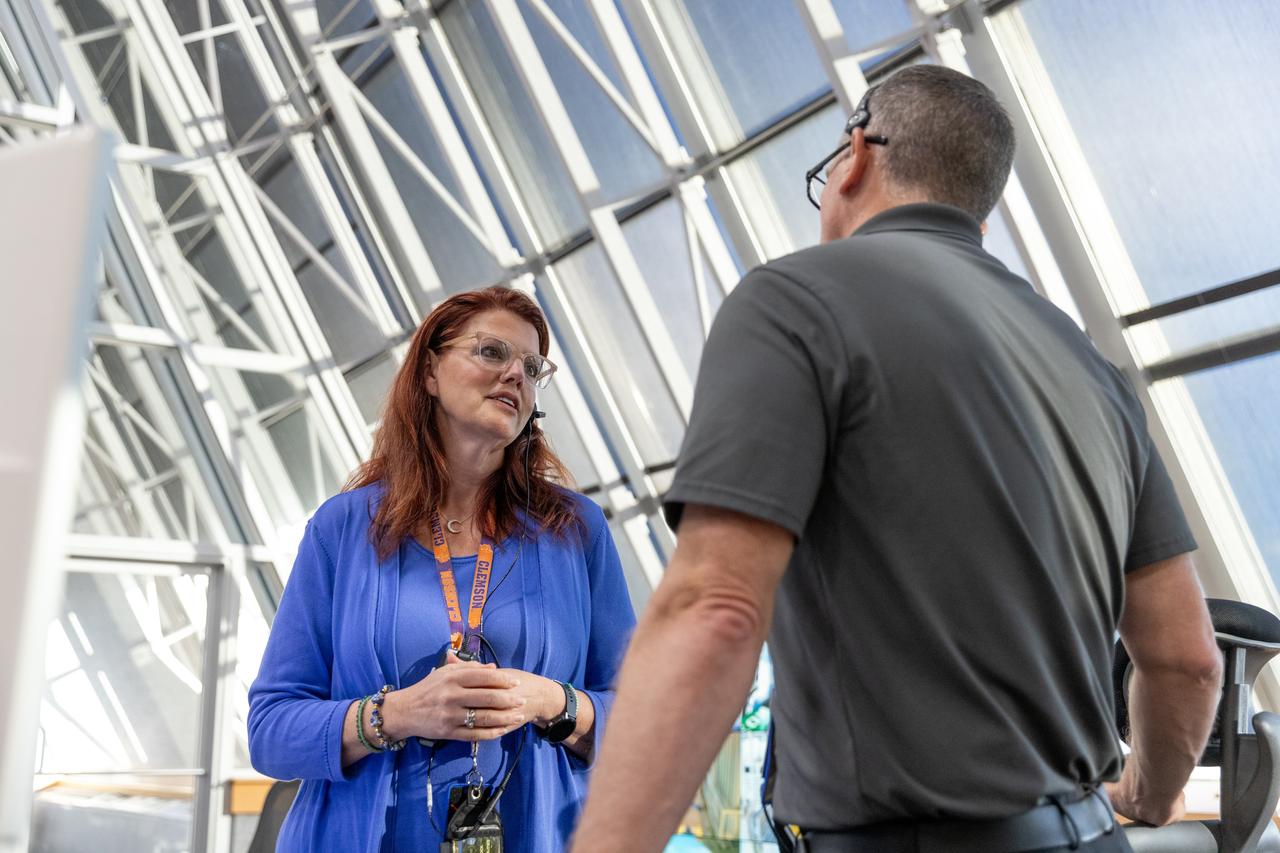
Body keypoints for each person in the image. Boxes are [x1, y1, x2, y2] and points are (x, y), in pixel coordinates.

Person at [573, 65, 1223, 853]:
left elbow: (716, 609)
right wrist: (1149, 796)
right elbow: (1187, 658)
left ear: (854, 157)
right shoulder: (1092, 368)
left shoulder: (794, 302)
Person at [248, 286, 636, 851]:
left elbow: (645, 727)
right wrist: (397, 714)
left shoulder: (576, 531)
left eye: (532, 366)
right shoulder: (343, 528)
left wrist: (551, 702)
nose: (515, 376)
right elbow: (270, 732)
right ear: (429, 371)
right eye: (492, 352)